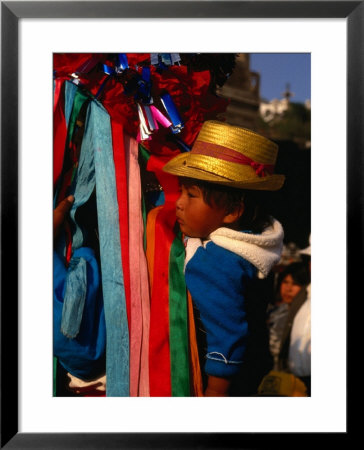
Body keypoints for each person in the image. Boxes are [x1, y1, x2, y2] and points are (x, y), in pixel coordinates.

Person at [163, 120, 286, 396]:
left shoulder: (215, 262)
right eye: (181, 190)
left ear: (232, 212)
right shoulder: (255, 247)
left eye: (191, 195)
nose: (179, 203)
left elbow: (226, 336)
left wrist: (215, 394)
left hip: (219, 382)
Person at [267, 262, 310, 370]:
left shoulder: (306, 318)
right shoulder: (273, 312)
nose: (288, 288)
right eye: (285, 282)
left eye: (295, 284)